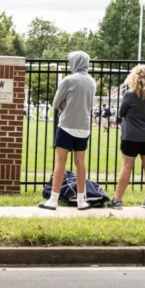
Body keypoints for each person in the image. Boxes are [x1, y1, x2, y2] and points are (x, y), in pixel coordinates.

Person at [40, 51, 95, 211]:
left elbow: (56, 102)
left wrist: (65, 104)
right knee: (81, 163)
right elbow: (90, 104)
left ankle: (53, 199)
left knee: (60, 162)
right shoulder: (91, 82)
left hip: (66, 125)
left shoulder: (69, 80)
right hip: (84, 126)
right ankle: (81, 200)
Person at [109, 65, 145, 209]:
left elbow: (122, 113)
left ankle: (118, 199)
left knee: (127, 167)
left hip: (131, 135)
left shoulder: (130, 95)